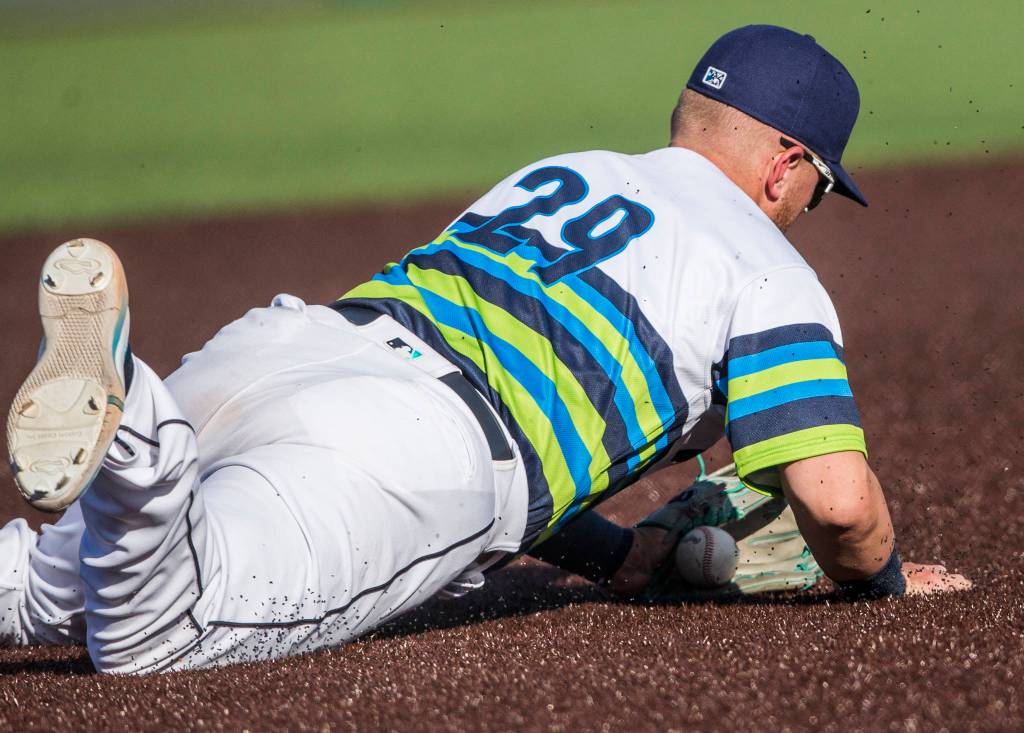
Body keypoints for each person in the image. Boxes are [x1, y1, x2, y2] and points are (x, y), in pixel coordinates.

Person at [1, 25, 968, 675]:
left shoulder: (567, 170)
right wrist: (878, 578)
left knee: (54, 590)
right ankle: (137, 434)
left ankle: (141, 403)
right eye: (820, 189)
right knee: (157, 632)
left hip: (290, 344)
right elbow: (839, 505)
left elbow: (530, 364)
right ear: (787, 165)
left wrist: (617, 554)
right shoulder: (767, 267)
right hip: (406, 451)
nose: (810, 211)